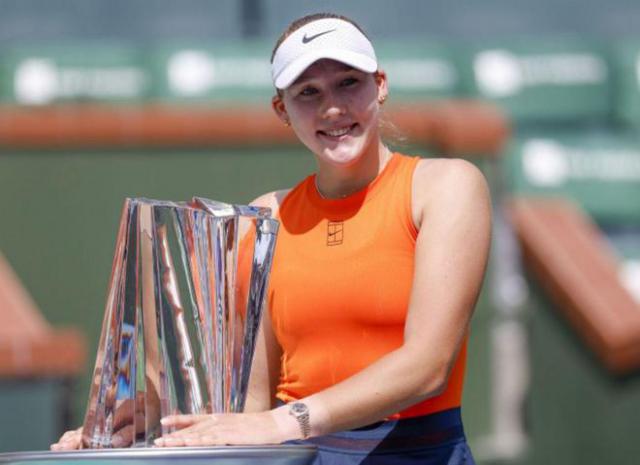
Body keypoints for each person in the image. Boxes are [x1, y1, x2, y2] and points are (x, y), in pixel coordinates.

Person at [52, 12, 491, 464]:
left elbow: (428, 365)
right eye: (308, 92)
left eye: (348, 83)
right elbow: (249, 403)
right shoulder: (266, 216)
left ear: (380, 85)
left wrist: (284, 422)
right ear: (282, 110)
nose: (333, 108)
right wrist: (156, 425)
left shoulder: (447, 186)